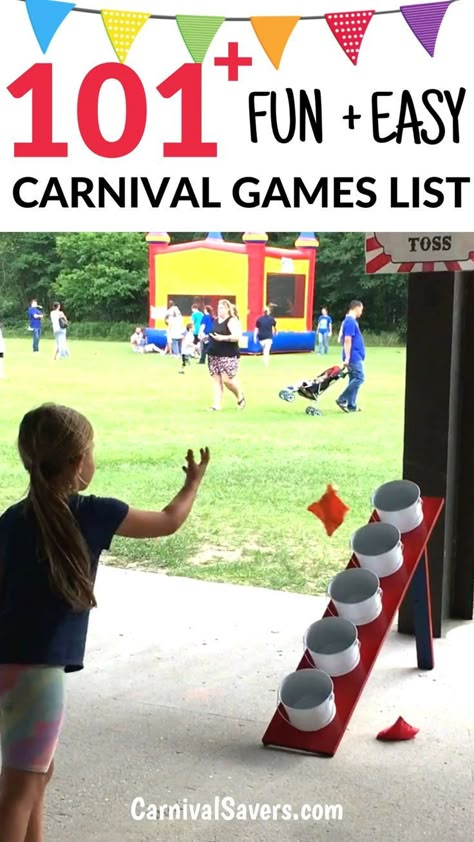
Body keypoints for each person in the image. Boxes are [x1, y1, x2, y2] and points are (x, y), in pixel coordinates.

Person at [0, 403, 210, 842]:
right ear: (79, 463)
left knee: (37, 771)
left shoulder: (11, 520)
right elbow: (169, 521)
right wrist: (192, 483)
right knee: (18, 792)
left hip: (7, 668)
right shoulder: (93, 513)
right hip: (37, 676)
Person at [207, 300, 245, 411]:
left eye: (222, 308)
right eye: (218, 307)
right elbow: (213, 334)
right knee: (216, 381)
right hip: (213, 354)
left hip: (228, 354)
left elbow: (237, 336)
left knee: (227, 380)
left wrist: (223, 338)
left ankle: (240, 396)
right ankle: (216, 405)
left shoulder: (232, 321)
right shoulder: (215, 321)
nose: (219, 310)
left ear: (228, 309)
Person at [336, 300, 366, 413]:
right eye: (361, 310)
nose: (361, 313)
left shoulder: (350, 321)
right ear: (356, 308)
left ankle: (351, 405)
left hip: (355, 355)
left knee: (353, 379)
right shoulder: (350, 322)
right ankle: (342, 399)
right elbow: (347, 340)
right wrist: (347, 358)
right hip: (353, 356)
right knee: (359, 378)